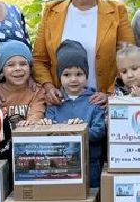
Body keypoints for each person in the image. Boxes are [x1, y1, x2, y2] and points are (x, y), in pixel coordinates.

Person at [32, 0, 134, 105]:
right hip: (61, 105)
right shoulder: (51, 12)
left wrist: (110, 94)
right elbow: (39, 60)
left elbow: (129, 59)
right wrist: (49, 87)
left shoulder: (117, 11)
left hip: (102, 105)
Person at [43, 40, 109, 181]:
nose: (73, 79)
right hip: (60, 164)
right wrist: (65, 131)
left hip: (90, 163)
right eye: (67, 75)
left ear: (86, 75)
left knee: (92, 196)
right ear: (59, 76)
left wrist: (79, 132)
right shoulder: (55, 102)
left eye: (79, 74)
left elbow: (100, 129)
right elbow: (48, 129)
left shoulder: (94, 100)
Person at [0, 40, 45, 130]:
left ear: (30, 68)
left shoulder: (37, 91)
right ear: (2, 71)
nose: (17, 68)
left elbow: (36, 115)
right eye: (11, 65)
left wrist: (29, 123)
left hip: (28, 137)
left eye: (23, 64)